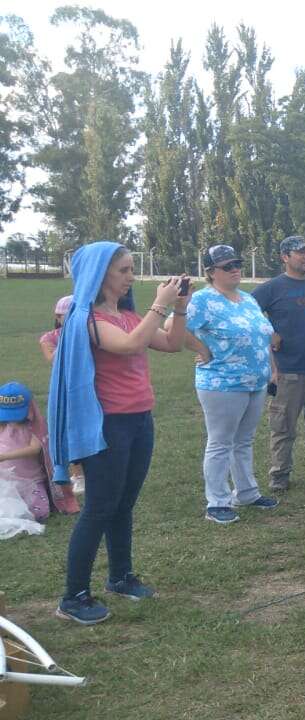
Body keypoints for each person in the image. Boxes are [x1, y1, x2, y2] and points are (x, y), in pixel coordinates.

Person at [47, 242, 190, 625]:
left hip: (139, 419)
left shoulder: (126, 316)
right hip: (107, 424)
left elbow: (172, 344)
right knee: (99, 508)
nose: (130, 277)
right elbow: (128, 347)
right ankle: (73, 596)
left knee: (123, 504)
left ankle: (120, 577)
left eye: (130, 270)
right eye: (123, 270)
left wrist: (179, 306)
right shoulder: (88, 318)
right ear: (100, 274)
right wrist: (158, 305)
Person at [184, 245, 280, 525]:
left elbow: (263, 336)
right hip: (222, 383)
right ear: (211, 272)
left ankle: (247, 492)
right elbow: (174, 328)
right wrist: (203, 350)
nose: (235, 269)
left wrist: (272, 369)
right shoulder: (202, 300)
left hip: (256, 381)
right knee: (220, 442)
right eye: (227, 266)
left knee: (244, 440)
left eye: (236, 263)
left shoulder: (248, 299)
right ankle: (217, 502)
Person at [251, 236, 305, 492]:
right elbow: (246, 314)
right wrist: (269, 333)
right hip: (287, 371)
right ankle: (279, 475)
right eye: (300, 253)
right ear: (285, 257)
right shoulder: (272, 288)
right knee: (283, 427)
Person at [39, 295, 85, 493]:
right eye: (65, 316)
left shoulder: (88, 332)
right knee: (68, 430)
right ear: (58, 317)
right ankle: (78, 474)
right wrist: (69, 338)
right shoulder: (49, 338)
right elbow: (52, 359)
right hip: (63, 391)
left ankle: (92, 471)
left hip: (86, 387)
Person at [0, 381, 51, 522]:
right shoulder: (3, 425)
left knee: (41, 513)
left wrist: (5, 456)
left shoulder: (34, 426)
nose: (12, 419)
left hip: (31, 481)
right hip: (6, 480)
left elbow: (35, 448)